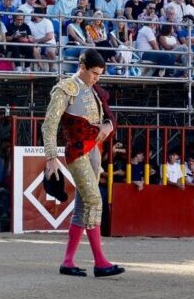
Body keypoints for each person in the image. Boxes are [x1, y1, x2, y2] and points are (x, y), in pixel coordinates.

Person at [44, 49, 123, 278]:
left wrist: (108, 125)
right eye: (94, 73)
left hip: (94, 152)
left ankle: (68, 262)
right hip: (78, 152)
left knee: (83, 207)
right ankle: (100, 262)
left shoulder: (93, 90)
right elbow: (49, 125)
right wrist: (51, 158)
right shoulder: (65, 88)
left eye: (99, 74)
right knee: (95, 201)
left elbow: (105, 118)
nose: (97, 78)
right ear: (83, 67)